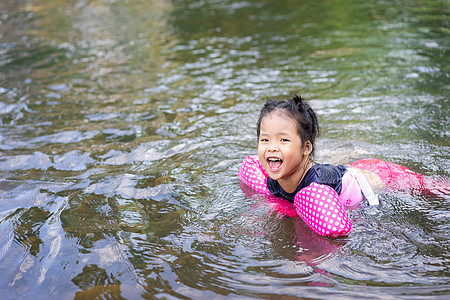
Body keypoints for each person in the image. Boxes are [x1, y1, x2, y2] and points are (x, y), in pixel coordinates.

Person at [238, 95, 449, 237]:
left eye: (283, 140)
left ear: (306, 147)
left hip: (377, 178)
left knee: (436, 189)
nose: (272, 148)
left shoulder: (316, 186)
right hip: (344, 171)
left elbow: (338, 232)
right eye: (265, 140)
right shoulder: (271, 178)